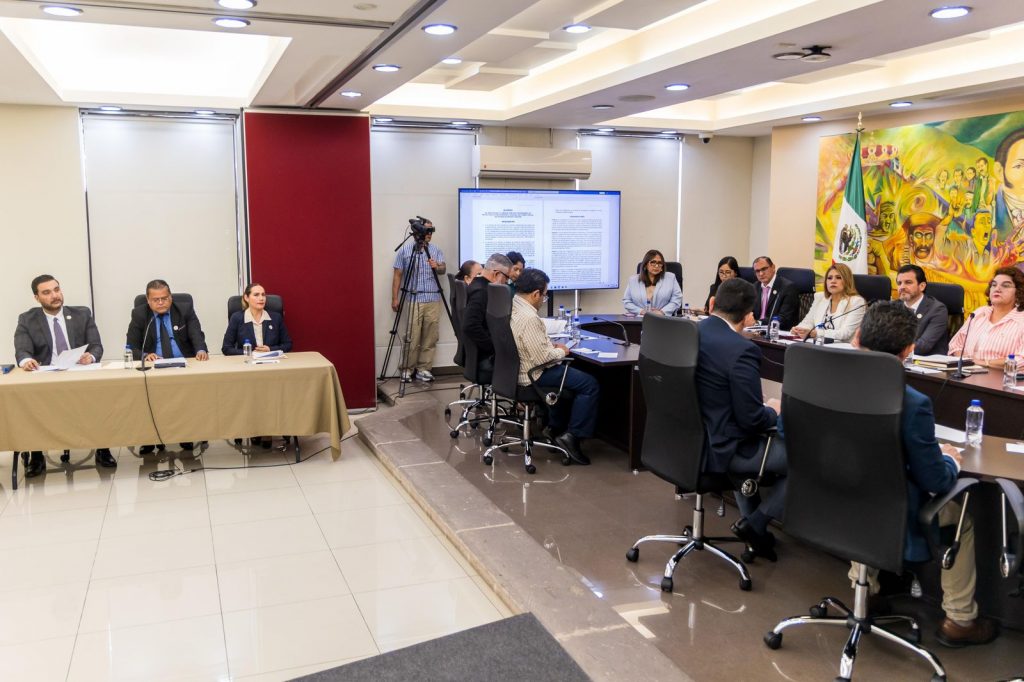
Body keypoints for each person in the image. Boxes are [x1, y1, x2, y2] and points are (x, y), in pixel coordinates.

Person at [851, 301, 997, 647]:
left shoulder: (824, 380)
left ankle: (865, 592)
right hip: (890, 505)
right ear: (909, 350)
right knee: (960, 520)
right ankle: (960, 619)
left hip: (832, 491)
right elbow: (935, 481)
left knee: (862, 491)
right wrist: (949, 459)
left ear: (857, 338)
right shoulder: (913, 403)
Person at [695, 278, 787, 560]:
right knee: (806, 459)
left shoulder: (691, 332)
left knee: (747, 443)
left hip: (689, 441)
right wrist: (773, 410)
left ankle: (755, 532)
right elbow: (751, 420)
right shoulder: (742, 349)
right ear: (749, 316)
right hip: (722, 448)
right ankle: (755, 523)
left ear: (713, 303)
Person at [14, 274, 116, 475]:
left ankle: (103, 448)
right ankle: (36, 455)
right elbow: (22, 350)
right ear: (37, 298)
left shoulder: (82, 314)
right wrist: (27, 361)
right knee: (30, 402)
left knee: (99, 395)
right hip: (46, 378)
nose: (54, 295)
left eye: (56, 289)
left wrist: (90, 357)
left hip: (78, 374)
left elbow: (96, 346)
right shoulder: (27, 319)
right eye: (47, 292)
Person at [510, 268, 598, 466]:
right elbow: (543, 359)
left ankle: (554, 427)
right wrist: (562, 351)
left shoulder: (513, 306)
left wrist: (549, 345)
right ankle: (571, 437)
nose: (544, 300)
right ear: (535, 294)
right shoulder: (530, 318)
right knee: (589, 384)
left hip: (518, 370)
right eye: (544, 295)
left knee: (572, 382)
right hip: (533, 374)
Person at [126, 279, 209, 453]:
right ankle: (149, 438)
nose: (161, 302)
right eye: (155, 299)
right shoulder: (140, 314)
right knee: (145, 394)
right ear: (148, 301)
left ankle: (187, 434)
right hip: (154, 368)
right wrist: (145, 355)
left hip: (184, 365)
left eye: (164, 298)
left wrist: (201, 349)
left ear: (171, 297)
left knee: (187, 397)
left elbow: (196, 334)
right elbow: (131, 347)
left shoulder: (184, 309)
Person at [391, 218, 446, 382]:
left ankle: (424, 369)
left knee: (431, 336)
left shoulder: (436, 250)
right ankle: (407, 369)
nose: (429, 234)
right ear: (417, 231)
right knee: (412, 336)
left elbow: (443, 269)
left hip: (433, 298)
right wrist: (395, 298)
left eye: (431, 231)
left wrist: (437, 266)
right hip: (414, 298)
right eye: (427, 230)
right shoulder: (405, 251)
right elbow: (397, 275)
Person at [948, 267, 1024, 366]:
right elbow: (955, 345)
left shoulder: (1021, 321)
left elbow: (1021, 360)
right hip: (967, 371)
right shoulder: (979, 313)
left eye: (1005, 285)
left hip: (1002, 375)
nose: (997, 289)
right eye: (994, 285)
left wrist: (985, 363)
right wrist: (966, 362)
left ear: (1019, 292)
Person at [791, 263, 866, 342]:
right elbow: (808, 322)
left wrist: (816, 333)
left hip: (843, 347)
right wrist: (799, 329)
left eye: (838, 277)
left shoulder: (857, 302)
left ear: (847, 281)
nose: (833, 281)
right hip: (819, 345)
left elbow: (845, 333)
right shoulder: (820, 298)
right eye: (829, 278)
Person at [462, 253, 512, 369]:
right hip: (484, 357)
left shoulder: (477, 285)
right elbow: (470, 326)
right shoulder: (482, 292)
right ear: (496, 274)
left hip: (476, 354)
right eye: (506, 278)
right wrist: (495, 349)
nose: (506, 282)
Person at [222, 283, 292, 356]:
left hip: (272, 360)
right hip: (247, 360)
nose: (261, 298)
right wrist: (251, 353)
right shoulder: (237, 318)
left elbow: (288, 344)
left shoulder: (276, 318)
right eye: (256, 295)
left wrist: (270, 349)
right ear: (246, 298)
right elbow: (226, 348)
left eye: (263, 295)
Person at [895, 264, 949, 356]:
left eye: (908, 282)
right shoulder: (892, 307)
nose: (902, 287)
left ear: (922, 286)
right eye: (899, 283)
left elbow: (923, 346)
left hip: (926, 361)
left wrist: (889, 349)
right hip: (895, 360)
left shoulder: (937, 310)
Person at [622, 249, 682, 316]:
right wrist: (641, 311)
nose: (656, 266)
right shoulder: (633, 280)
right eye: (653, 262)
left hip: (663, 318)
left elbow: (677, 299)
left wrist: (662, 312)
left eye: (659, 263)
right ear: (645, 265)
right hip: (640, 319)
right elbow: (627, 301)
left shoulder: (670, 278)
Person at [753, 256, 800, 330]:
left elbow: (784, 318)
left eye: (764, 269)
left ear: (773, 267)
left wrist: (758, 323)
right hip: (755, 330)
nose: (761, 274)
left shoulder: (788, 288)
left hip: (778, 331)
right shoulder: (754, 287)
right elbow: (748, 312)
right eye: (757, 271)